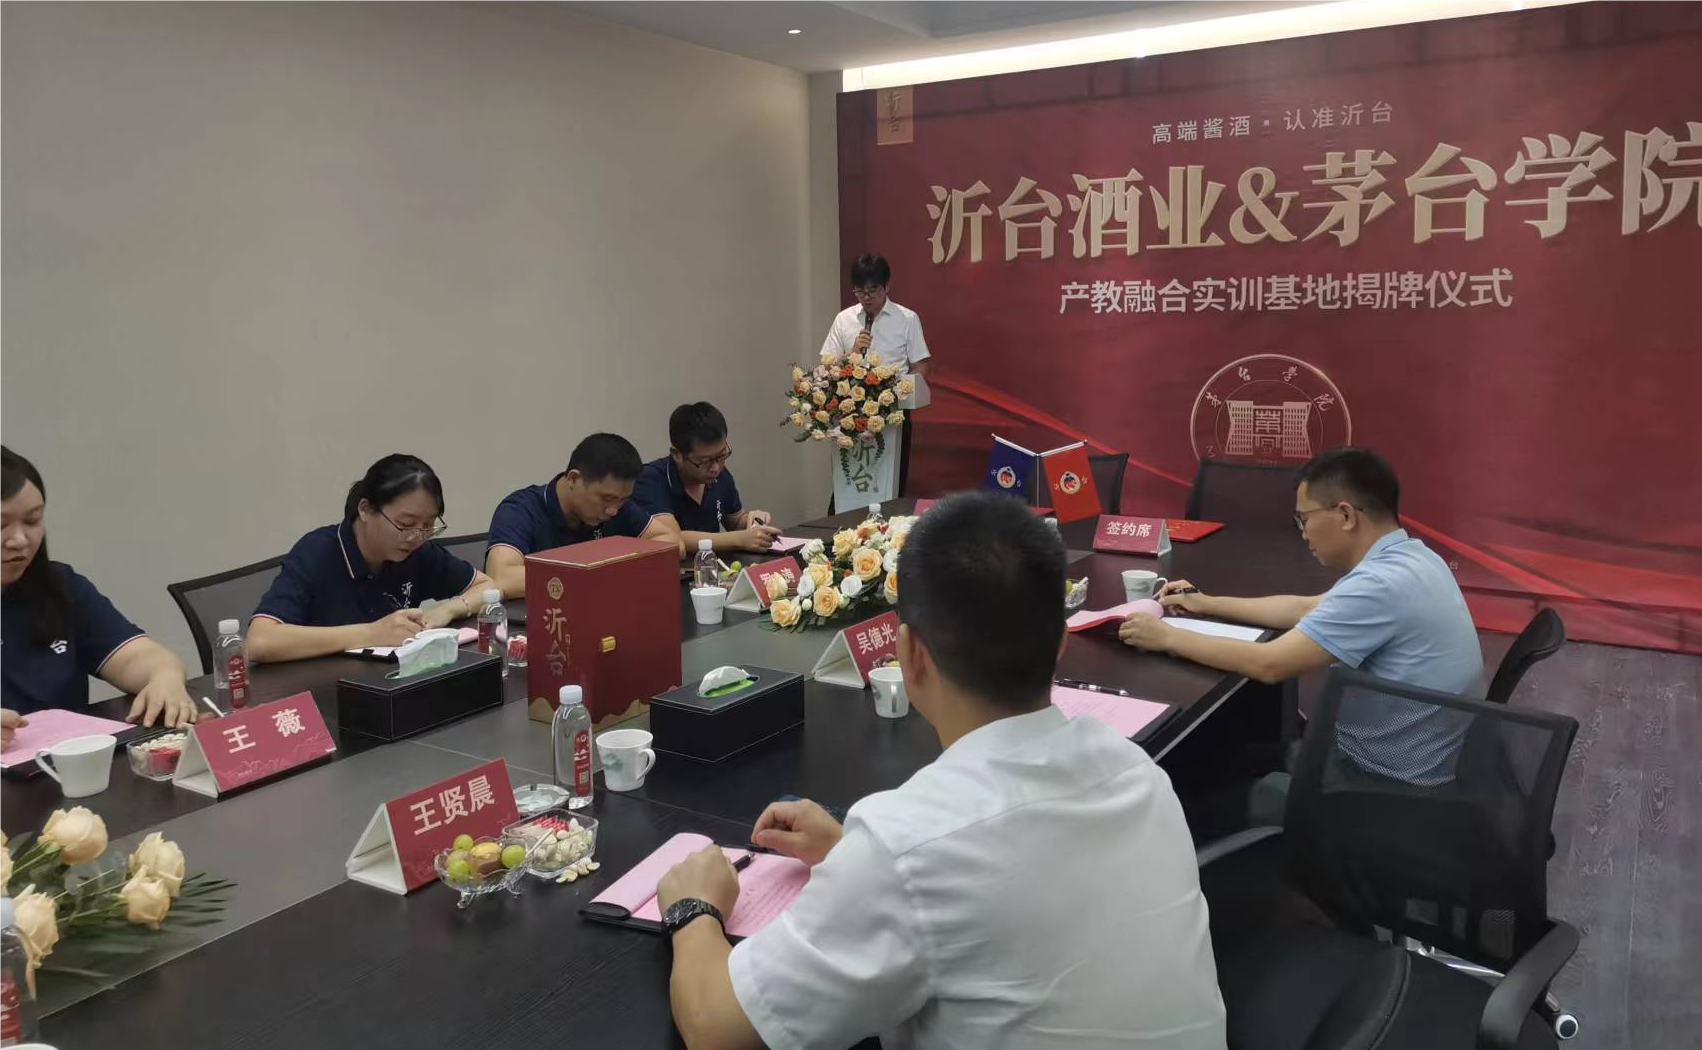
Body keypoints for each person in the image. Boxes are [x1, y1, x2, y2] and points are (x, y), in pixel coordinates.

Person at [655, 492, 1225, 1050]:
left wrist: (694, 907)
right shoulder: (1137, 772)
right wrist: (850, 855)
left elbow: (717, 1028)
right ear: (1059, 643)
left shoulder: (906, 846)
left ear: (909, 654)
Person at [1116, 446, 1483, 787]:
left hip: (1379, 779)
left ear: (1345, 515)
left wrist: (1166, 636)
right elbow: (1306, 608)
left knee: (1207, 770)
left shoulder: (1379, 585)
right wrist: (1206, 603)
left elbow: (1270, 664)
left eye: (1304, 519)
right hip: (1419, 758)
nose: (1303, 532)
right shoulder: (1414, 558)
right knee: (1236, 749)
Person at [0, 445, 197, 739]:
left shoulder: (59, 586)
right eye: (1, 525)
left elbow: (135, 656)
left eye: (32, 521)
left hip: (72, 760)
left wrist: (164, 676)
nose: (19, 540)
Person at [247, 454, 494, 663]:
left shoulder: (417, 551)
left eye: (428, 526)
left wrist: (447, 610)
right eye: (405, 523)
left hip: (390, 682)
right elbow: (259, 641)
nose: (416, 536)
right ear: (365, 509)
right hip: (325, 690)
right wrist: (371, 633)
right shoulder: (318, 552)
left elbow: (488, 587)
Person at [484, 433, 684, 599]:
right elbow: (503, 577)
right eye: (606, 498)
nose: (613, 511)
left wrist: (615, 565)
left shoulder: (617, 506)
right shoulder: (520, 510)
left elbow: (674, 544)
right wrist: (595, 572)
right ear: (574, 479)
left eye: (622, 500)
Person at [819, 253, 931, 497]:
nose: (866, 298)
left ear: (886, 287)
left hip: (893, 415)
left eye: (873, 290)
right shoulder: (844, 320)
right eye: (860, 291)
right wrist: (853, 352)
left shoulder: (907, 319)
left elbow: (921, 365)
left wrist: (899, 392)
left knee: (890, 486)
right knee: (850, 485)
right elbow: (828, 367)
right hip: (849, 415)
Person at [631, 403, 780, 556]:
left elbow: (735, 521)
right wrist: (739, 539)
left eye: (721, 455)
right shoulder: (650, 479)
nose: (715, 467)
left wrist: (753, 521)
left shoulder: (719, 474)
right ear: (677, 455)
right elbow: (673, 539)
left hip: (712, 566)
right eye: (705, 461)